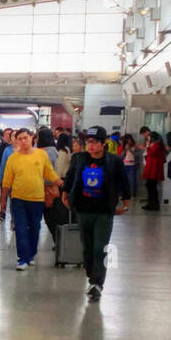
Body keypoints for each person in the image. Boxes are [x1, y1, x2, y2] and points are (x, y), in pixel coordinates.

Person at [63, 126, 131, 300]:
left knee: (100, 248)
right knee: (87, 249)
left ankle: (97, 284)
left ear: (103, 143)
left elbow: (124, 181)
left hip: (104, 212)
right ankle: (91, 275)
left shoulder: (114, 161)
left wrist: (126, 201)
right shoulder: (79, 159)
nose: (90, 146)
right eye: (88, 142)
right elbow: (70, 178)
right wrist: (65, 194)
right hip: (83, 210)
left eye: (94, 142)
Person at [0, 129, 61, 269]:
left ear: (32, 138)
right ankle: (22, 259)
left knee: (35, 227)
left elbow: (49, 173)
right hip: (18, 199)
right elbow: (7, 182)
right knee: (20, 228)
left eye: (25, 138)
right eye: (19, 139)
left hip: (37, 198)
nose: (23, 141)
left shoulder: (41, 155)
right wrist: (3, 201)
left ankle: (31, 254)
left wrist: (61, 183)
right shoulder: (13, 158)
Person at [140, 127, 166, 211]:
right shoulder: (156, 144)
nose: (148, 139)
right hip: (152, 168)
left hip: (153, 169)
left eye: (149, 138)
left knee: (151, 186)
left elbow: (152, 153)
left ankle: (154, 204)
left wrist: (147, 147)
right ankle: (151, 204)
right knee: (150, 186)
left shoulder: (156, 145)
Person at [120, 134, 139, 198]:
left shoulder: (135, 145)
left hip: (132, 165)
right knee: (124, 181)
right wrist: (125, 150)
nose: (128, 141)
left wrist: (130, 149)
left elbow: (137, 155)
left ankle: (132, 195)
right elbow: (121, 157)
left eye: (129, 139)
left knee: (132, 181)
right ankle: (125, 194)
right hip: (124, 165)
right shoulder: (124, 146)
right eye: (127, 139)